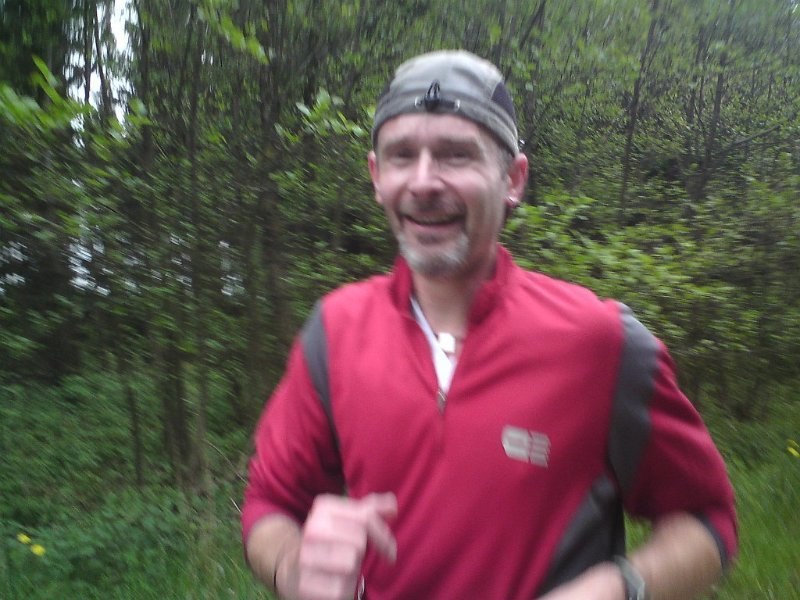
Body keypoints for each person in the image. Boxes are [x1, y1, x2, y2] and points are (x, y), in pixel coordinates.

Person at [241, 50, 737, 600]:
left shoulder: (602, 343)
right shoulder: (335, 330)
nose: (423, 182)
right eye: (402, 156)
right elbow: (269, 503)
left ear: (513, 180)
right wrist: (292, 566)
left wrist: (618, 587)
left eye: (456, 155)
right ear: (377, 177)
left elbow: (709, 523)